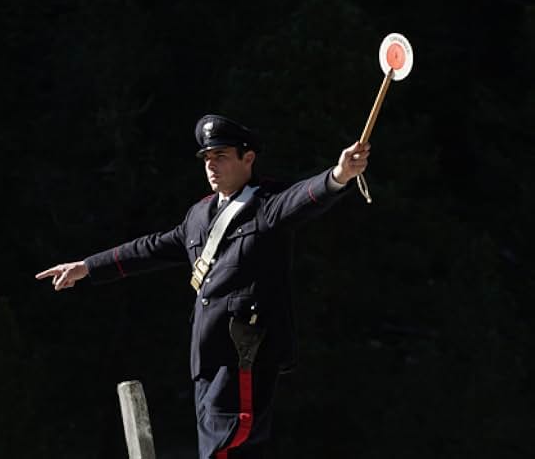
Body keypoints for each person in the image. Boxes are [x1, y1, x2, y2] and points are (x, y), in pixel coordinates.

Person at [36, 114, 370, 458]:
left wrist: (339, 175)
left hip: (244, 355)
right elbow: (148, 248)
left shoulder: (268, 204)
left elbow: (303, 197)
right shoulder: (199, 216)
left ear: (248, 158)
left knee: (226, 443)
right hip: (206, 357)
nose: (212, 166)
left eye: (221, 156)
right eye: (207, 159)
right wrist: (87, 267)